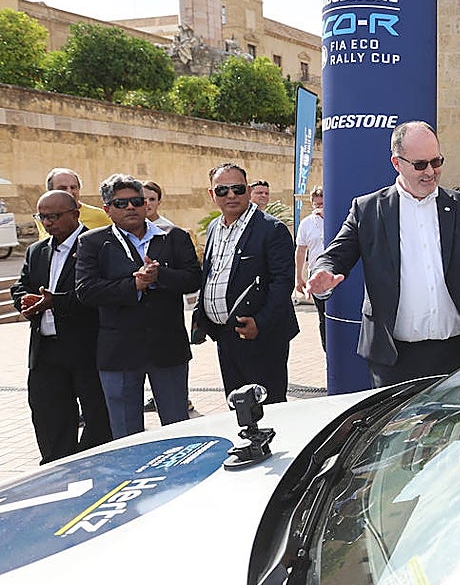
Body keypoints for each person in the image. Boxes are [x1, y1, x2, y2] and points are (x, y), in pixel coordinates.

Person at [307, 120, 460, 387]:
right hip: (395, 359)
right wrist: (323, 273)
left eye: (436, 162)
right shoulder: (368, 210)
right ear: (396, 163)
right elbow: (335, 255)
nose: (430, 172)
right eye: (420, 165)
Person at [75, 174, 203, 438]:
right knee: (126, 434)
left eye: (136, 201)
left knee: (179, 429)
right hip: (119, 352)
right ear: (107, 209)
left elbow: (193, 279)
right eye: (121, 203)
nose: (130, 207)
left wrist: (160, 277)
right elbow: (86, 291)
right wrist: (133, 285)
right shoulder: (93, 243)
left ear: (146, 204)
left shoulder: (174, 237)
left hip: (167, 349)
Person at [12, 190, 112, 463]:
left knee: (98, 420)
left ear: (75, 214)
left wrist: (55, 303)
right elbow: (20, 286)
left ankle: (94, 468)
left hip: (86, 350)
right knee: (48, 419)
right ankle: (57, 470)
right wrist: (25, 299)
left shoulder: (98, 245)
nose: (48, 223)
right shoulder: (37, 250)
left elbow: (98, 293)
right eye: (42, 216)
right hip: (46, 352)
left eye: (54, 216)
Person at [193, 162, 300, 404]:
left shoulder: (271, 229)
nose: (230, 195)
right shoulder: (213, 228)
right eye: (222, 190)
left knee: (267, 408)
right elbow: (211, 274)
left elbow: (282, 283)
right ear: (212, 194)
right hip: (225, 336)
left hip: (260, 336)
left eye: (237, 189)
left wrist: (260, 323)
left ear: (249, 190)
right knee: (238, 405)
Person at [295, 186, 328, 351]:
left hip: (337, 274)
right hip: (316, 275)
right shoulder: (307, 223)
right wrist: (299, 277)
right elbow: (301, 250)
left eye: (322, 203)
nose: (319, 207)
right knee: (323, 316)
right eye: (316, 204)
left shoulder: (337, 218)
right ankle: (327, 350)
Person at [36, 167, 110, 239]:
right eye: (62, 188)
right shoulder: (43, 218)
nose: (69, 192)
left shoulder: (99, 216)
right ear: (51, 192)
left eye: (73, 187)